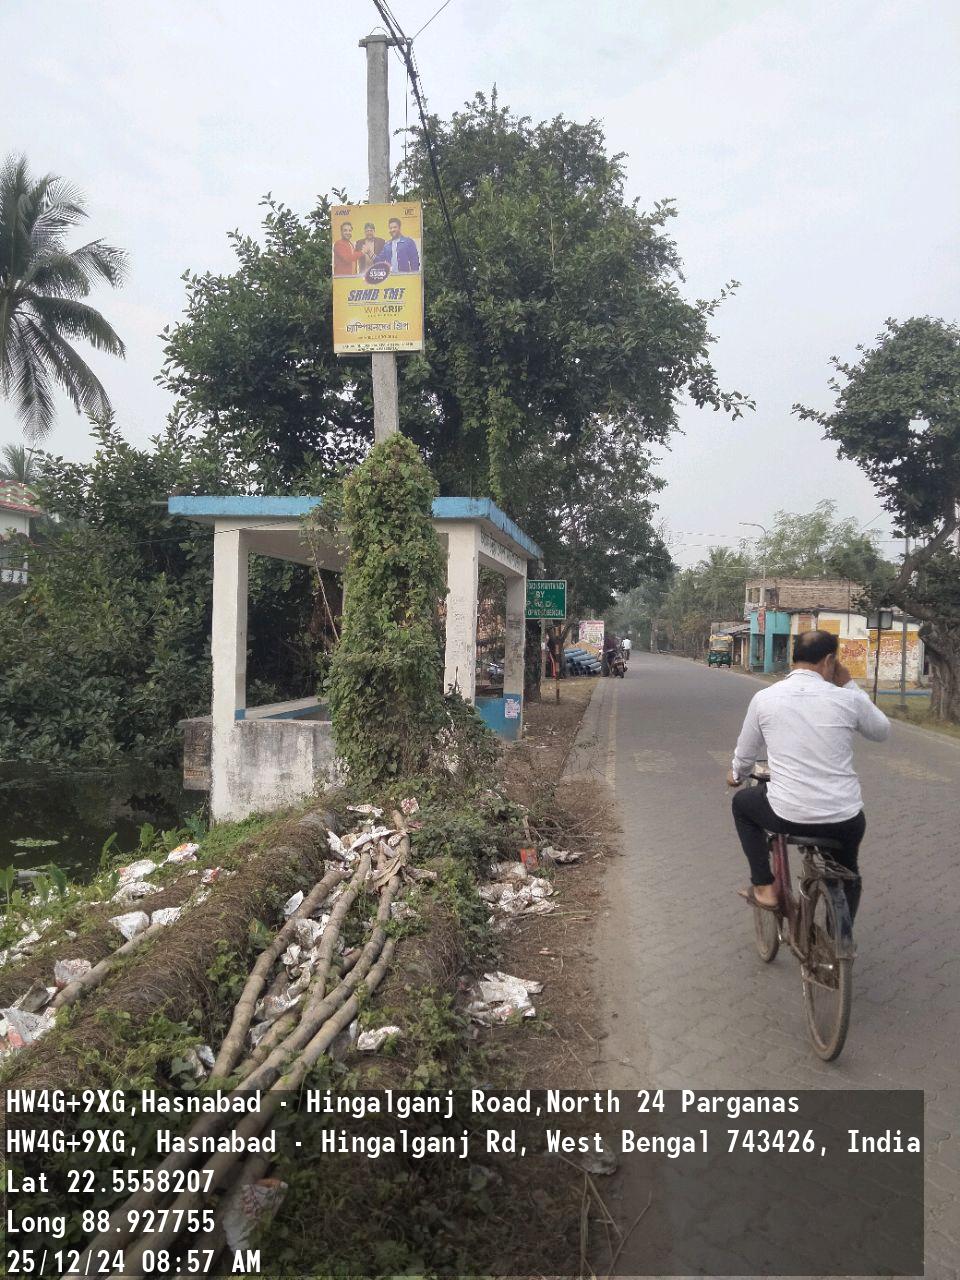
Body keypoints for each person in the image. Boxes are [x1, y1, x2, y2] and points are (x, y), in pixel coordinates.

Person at [726, 628, 890, 921]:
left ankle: (764, 886)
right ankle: (839, 936)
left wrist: (737, 774)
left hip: (788, 815)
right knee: (849, 872)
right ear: (829, 661)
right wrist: (849, 684)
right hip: (845, 818)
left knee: (742, 804)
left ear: (794, 658)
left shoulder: (765, 698)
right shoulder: (847, 699)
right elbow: (881, 731)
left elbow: (746, 756)